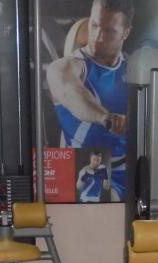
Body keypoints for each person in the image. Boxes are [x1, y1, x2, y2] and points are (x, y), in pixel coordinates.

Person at [46, 0, 133, 203]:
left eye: (109, 31)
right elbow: (71, 93)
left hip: (128, 169)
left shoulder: (133, 67)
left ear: (126, 33)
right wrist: (105, 117)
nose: (98, 37)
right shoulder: (64, 68)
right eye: (94, 26)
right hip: (84, 170)